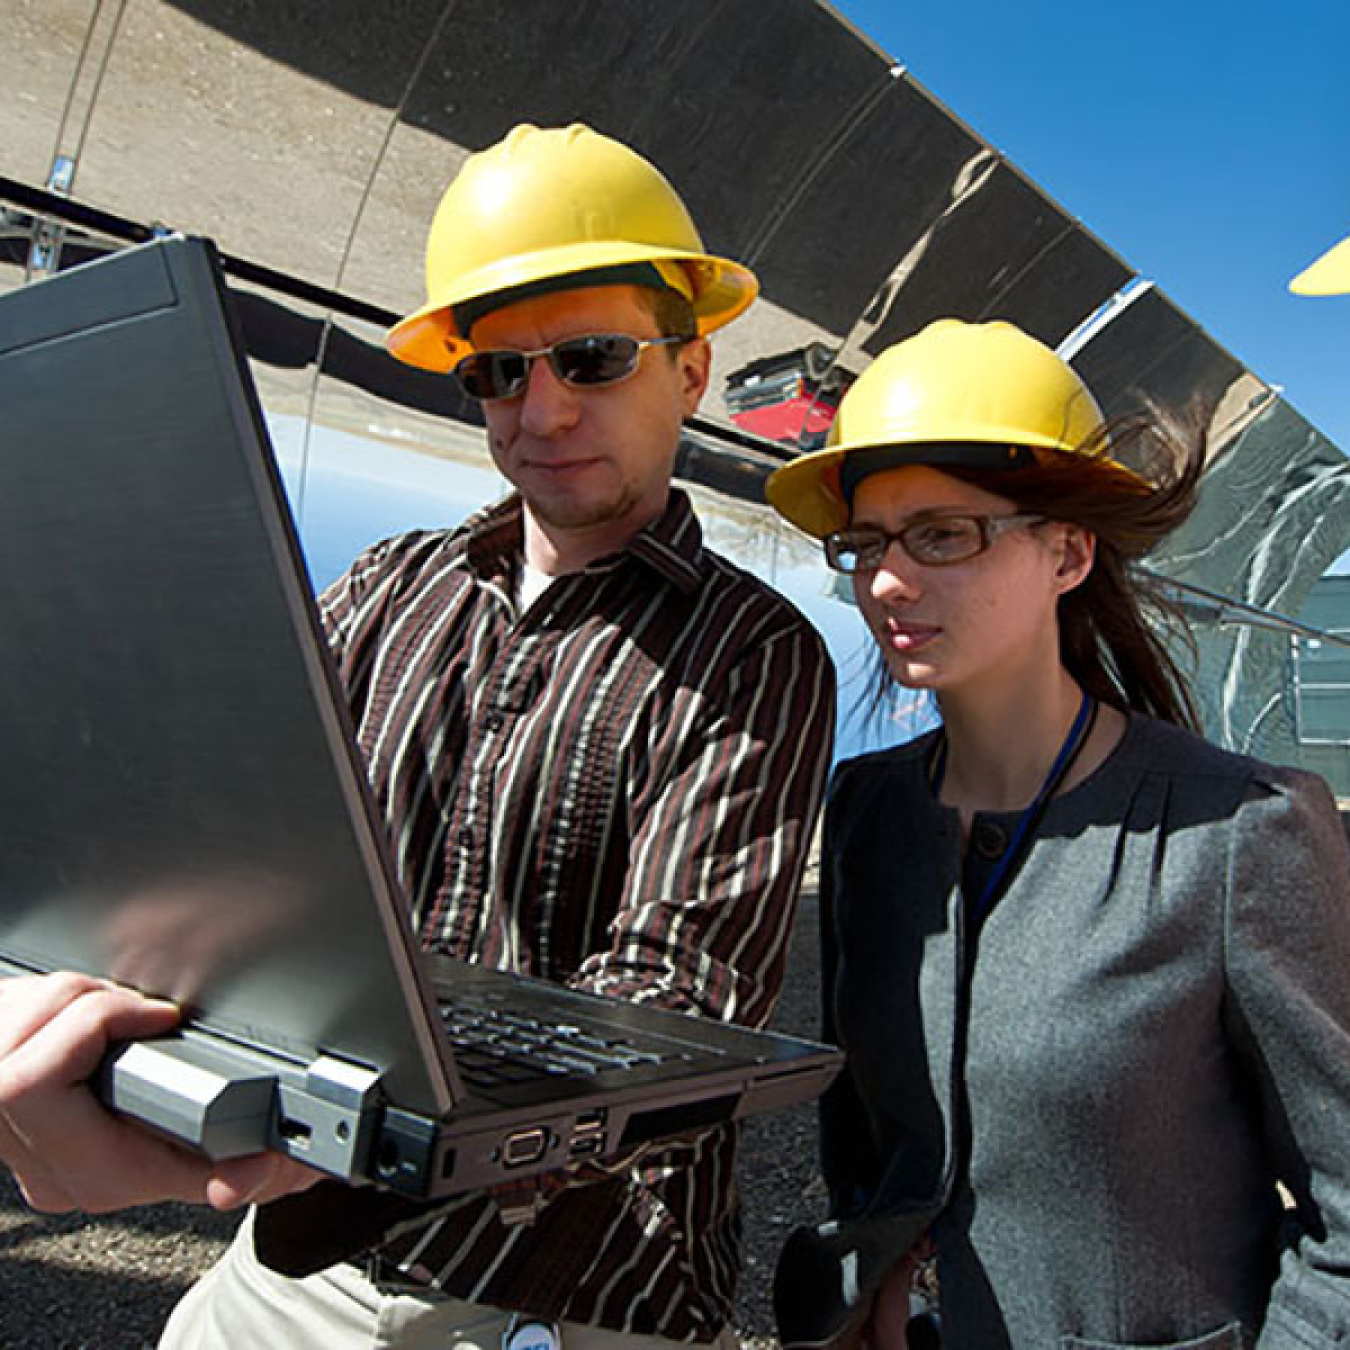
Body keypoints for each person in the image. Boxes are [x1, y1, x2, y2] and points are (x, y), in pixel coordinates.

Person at [0, 122, 835, 1347]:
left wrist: (402, 1134)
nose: (539, 408)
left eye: (590, 359)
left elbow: (675, 995)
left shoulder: (757, 652)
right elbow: (245, 828)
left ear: (693, 371)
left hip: (573, 1282)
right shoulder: (389, 588)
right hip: (310, 1254)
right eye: (497, 372)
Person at [764, 318, 1350, 1348]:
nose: (888, 581)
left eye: (943, 533)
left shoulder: (1239, 836)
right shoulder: (871, 812)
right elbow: (867, 1130)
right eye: (865, 543)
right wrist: (868, 1268)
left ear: (1067, 552)